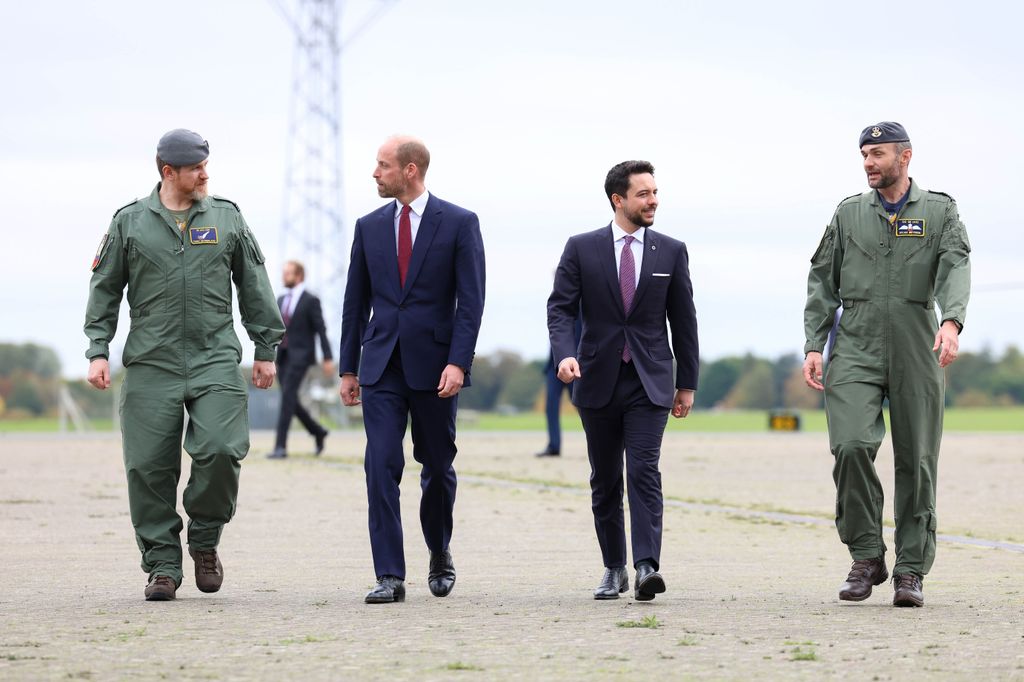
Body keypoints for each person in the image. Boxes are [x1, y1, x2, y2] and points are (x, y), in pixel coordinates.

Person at [84, 129, 284, 601]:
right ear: (168, 172)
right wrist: (98, 349)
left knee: (220, 449)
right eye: (196, 168)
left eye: (206, 165)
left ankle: (205, 539)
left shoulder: (227, 218)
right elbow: (105, 289)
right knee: (148, 468)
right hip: (151, 362)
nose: (205, 174)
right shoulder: (129, 223)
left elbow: (254, 283)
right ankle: (161, 566)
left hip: (215, 358)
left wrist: (266, 348)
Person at [802, 121, 971, 608]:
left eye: (877, 153)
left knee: (916, 459)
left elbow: (956, 264)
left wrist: (952, 322)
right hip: (855, 345)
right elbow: (821, 279)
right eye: (864, 155)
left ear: (906, 156)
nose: (869, 163)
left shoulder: (940, 210)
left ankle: (911, 570)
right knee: (851, 445)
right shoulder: (849, 213)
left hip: (918, 343)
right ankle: (866, 555)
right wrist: (816, 343)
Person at [339, 135, 485, 604]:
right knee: (380, 463)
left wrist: (459, 362)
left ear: (410, 170)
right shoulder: (369, 226)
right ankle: (389, 575)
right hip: (381, 366)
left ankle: (439, 549)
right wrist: (348, 368)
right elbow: (354, 303)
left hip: (437, 367)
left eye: (382, 165)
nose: (375, 174)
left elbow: (471, 303)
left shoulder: (460, 223)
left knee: (437, 466)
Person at [547, 160, 699, 601]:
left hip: (650, 381)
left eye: (655, 192)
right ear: (619, 199)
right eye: (643, 194)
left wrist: (686, 382)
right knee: (606, 478)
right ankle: (614, 567)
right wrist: (565, 354)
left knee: (644, 470)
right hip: (597, 379)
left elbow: (684, 319)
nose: (653, 200)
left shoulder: (671, 251)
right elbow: (560, 308)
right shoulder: (582, 248)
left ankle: (647, 564)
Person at [268, 260, 334, 459]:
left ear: (299, 276)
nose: (284, 276)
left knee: (288, 396)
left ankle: (280, 447)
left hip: (301, 356)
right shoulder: (280, 300)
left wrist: (328, 357)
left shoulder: (310, 300)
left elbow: (321, 330)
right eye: (284, 272)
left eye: (288, 273)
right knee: (290, 400)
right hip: (282, 357)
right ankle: (318, 431)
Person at [536, 316, 581, 458]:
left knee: (583, 406)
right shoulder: (561, 305)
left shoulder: (585, 302)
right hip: (554, 365)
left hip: (577, 363)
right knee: (551, 406)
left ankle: (599, 443)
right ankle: (554, 446)